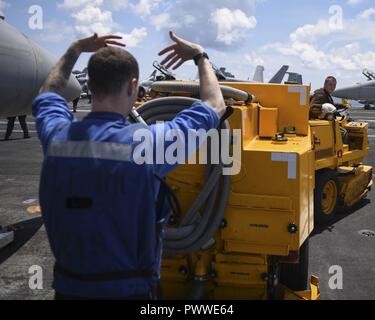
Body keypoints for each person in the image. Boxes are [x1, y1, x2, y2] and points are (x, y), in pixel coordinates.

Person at [32, 32, 225, 300]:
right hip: (129, 291)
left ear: (88, 84)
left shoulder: (57, 138)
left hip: (68, 289)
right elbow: (214, 106)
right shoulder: (147, 146)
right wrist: (200, 56)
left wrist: (74, 50)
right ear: (133, 85)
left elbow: (47, 95)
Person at [310, 76, 349, 144]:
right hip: (319, 124)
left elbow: (331, 105)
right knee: (343, 132)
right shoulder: (320, 94)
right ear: (325, 84)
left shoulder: (326, 94)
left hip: (323, 122)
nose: (332, 87)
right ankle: (342, 150)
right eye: (330, 84)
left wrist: (343, 105)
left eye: (334, 85)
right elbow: (312, 107)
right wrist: (323, 108)